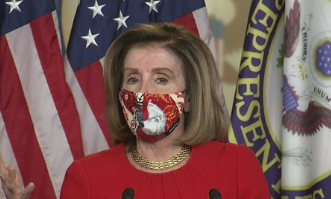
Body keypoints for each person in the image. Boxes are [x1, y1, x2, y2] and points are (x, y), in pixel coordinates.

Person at [1, 23, 271, 199]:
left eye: (161, 79)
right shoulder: (87, 177)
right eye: (132, 79)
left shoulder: (236, 167)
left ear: (189, 98)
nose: (143, 92)